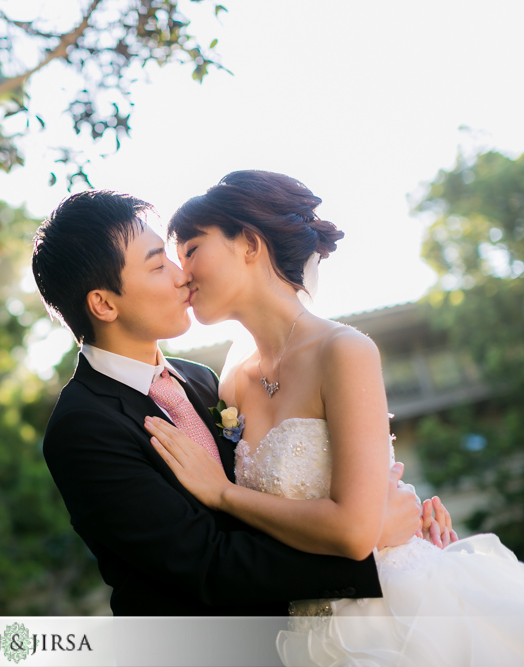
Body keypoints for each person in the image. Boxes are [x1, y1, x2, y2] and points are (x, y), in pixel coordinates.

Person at [146, 170, 524, 664]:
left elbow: (353, 529)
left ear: (250, 244)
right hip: (301, 631)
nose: (183, 273)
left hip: (398, 616)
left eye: (191, 249)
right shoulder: (231, 381)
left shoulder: (344, 351)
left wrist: (223, 492)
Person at [31, 189, 435, 617]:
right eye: (157, 265)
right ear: (104, 304)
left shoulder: (203, 380)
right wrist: (368, 544)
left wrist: (389, 505)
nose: (181, 275)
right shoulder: (82, 426)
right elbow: (207, 564)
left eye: (178, 257)